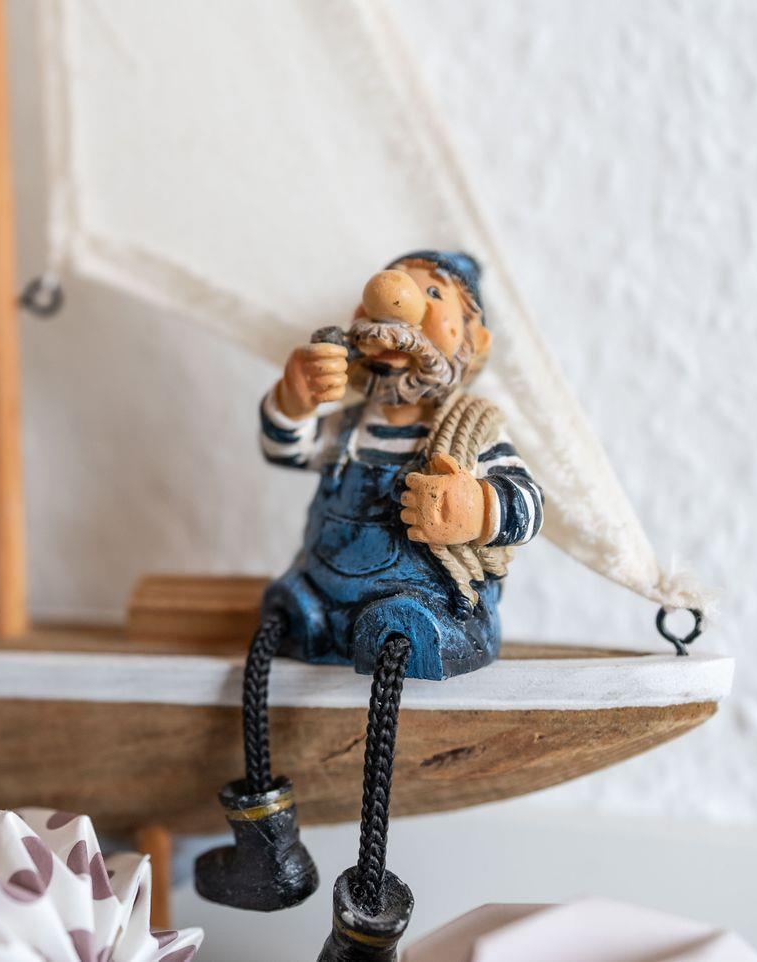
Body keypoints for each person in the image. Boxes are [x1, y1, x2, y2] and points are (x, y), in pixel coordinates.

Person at [194, 251, 543, 961]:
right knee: (273, 630)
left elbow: (529, 504)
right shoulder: (350, 423)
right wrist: (294, 399)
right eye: (385, 294)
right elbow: (285, 449)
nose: (397, 302)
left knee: (393, 652)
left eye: (432, 294)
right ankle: (269, 855)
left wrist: (475, 505)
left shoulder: (472, 429)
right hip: (322, 595)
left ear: (473, 342)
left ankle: (365, 922)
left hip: (415, 601)